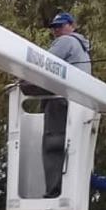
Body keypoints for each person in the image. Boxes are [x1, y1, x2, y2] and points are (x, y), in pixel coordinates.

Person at [42, 11, 91, 197]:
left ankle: (54, 190)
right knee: (69, 145)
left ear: (72, 25)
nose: (57, 31)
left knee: (52, 143)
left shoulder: (66, 42)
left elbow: (42, 63)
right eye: (55, 27)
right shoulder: (83, 48)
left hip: (60, 100)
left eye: (60, 26)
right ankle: (69, 188)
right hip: (76, 104)